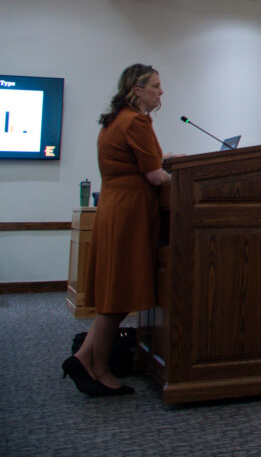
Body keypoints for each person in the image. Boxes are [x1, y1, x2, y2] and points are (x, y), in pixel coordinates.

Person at [63, 64, 172, 397]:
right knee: (120, 294)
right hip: (130, 212)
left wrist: (165, 158)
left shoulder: (116, 120)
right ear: (136, 90)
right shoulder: (136, 121)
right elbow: (154, 176)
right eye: (155, 86)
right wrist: (185, 179)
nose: (161, 92)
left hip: (116, 207)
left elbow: (136, 162)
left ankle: (84, 360)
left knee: (116, 292)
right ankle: (98, 369)